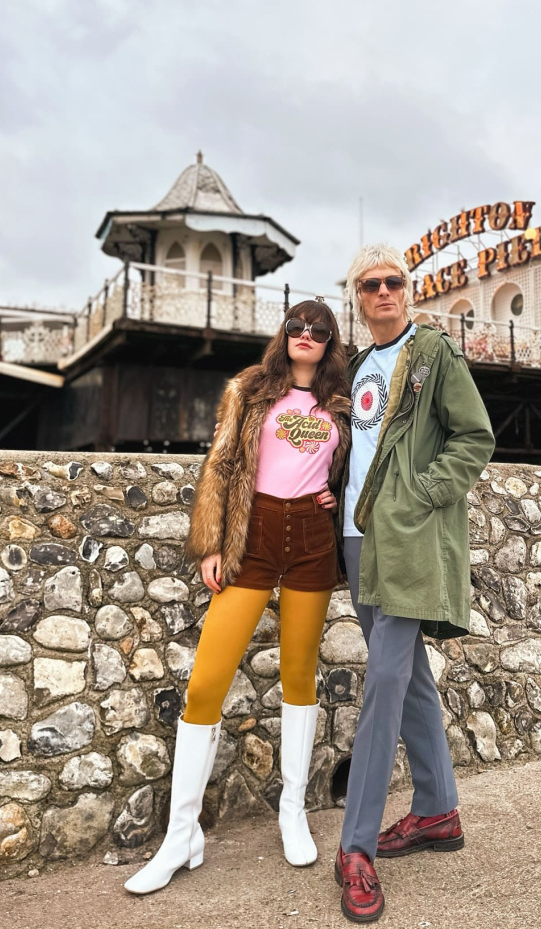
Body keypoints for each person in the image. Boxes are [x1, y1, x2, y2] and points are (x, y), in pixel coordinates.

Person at [124, 301, 350, 895]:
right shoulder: (250, 389)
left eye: (318, 330)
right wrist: (209, 542)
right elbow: (222, 464)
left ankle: (292, 812)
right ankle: (181, 837)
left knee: (299, 674)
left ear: (330, 341)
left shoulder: (341, 401)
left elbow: (354, 468)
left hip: (312, 538)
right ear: (285, 333)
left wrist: (337, 491)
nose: (306, 335)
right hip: (252, 535)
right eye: (297, 326)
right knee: (206, 683)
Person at [333, 245, 495, 922]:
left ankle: (355, 845)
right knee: (411, 678)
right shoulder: (354, 367)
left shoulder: (432, 353)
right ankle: (437, 810)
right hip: (355, 538)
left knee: (384, 678)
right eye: (370, 285)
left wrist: (420, 495)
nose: (383, 292)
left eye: (393, 281)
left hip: (404, 536)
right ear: (357, 297)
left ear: (408, 289)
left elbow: (474, 437)